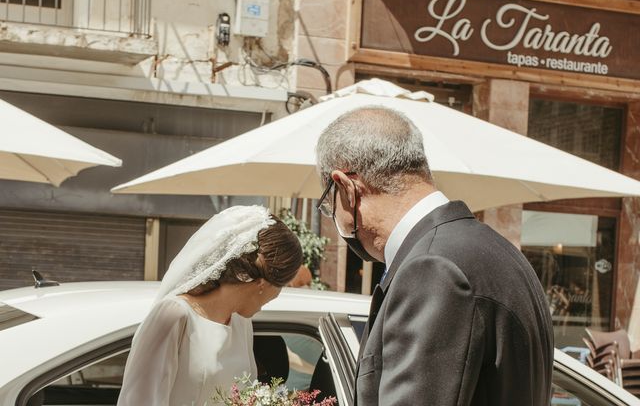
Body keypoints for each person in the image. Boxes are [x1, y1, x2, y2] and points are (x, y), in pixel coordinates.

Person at [315, 106, 554, 406]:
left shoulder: (432, 268)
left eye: (328, 206)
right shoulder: (499, 250)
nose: (332, 216)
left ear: (346, 187)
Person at [117, 205, 303, 406]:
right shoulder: (174, 316)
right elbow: (139, 400)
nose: (277, 295)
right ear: (262, 284)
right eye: (282, 285)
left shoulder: (241, 324)